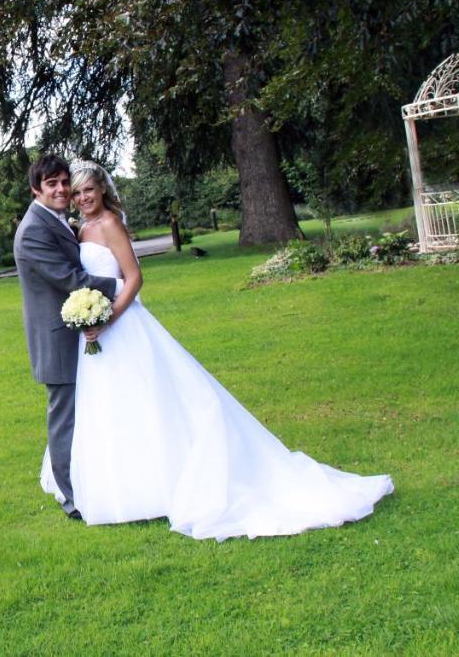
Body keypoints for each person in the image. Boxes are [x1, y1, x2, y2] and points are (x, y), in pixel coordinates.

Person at [40, 160, 394, 540]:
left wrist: (109, 317)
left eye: (87, 190)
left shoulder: (109, 223)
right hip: (94, 335)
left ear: (102, 190)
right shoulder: (80, 229)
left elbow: (134, 277)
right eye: (75, 193)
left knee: (151, 400)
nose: (81, 198)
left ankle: (163, 483)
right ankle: (124, 483)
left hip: (122, 325)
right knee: (112, 405)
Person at [14, 155, 121, 519]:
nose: (62, 190)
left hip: (77, 331)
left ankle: (94, 484)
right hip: (57, 340)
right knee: (65, 421)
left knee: (86, 414)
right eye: (52, 184)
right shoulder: (32, 230)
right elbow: (72, 279)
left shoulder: (56, 220)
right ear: (35, 189)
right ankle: (72, 500)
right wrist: (122, 285)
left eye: (64, 183)